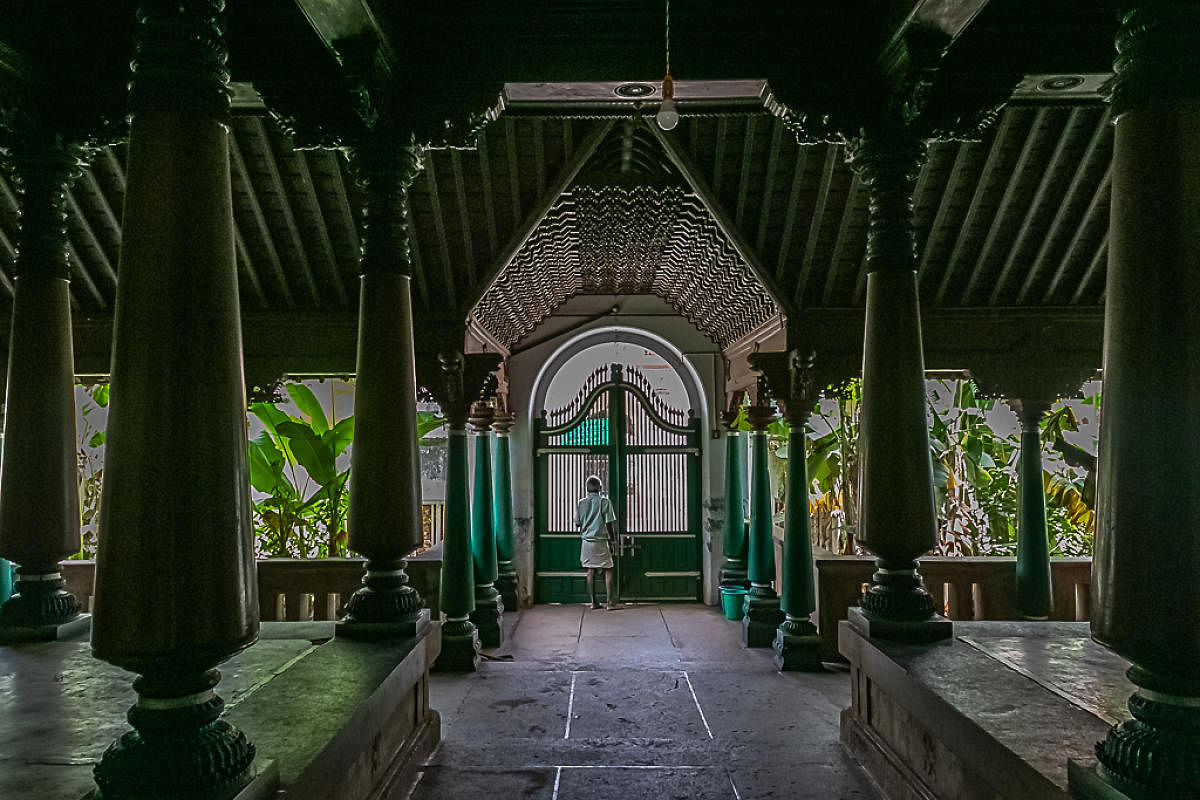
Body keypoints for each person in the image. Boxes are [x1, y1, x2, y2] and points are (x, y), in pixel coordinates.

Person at [576, 475, 619, 610]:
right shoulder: (604, 502)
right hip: (601, 541)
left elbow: (577, 523)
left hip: (587, 542)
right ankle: (610, 603)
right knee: (609, 569)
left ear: (587, 489)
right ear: (600, 488)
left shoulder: (581, 503)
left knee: (590, 571)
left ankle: (593, 602)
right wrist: (613, 540)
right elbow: (609, 523)